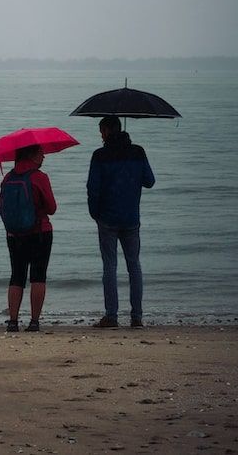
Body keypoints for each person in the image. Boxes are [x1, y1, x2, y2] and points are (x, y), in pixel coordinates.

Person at [87, 116, 155, 328]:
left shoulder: (100, 155)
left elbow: (93, 188)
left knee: (110, 266)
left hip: (107, 218)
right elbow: (149, 181)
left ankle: (112, 315)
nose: (100, 136)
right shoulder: (138, 152)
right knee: (134, 265)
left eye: (101, 131)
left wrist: (94, 213)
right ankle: (137, 316)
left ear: (107, 131)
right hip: (131, 218)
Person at [0, 144, 57, 332]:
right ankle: (34, 321)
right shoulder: (39, 177)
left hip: (14, 234)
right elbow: (52, 208)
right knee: (38, 276)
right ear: (32, 155)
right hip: (40, 231)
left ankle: (13, 321)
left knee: (16, 276)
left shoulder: (8, 177)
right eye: (41, 153)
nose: (44, 156)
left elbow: (1, 207)